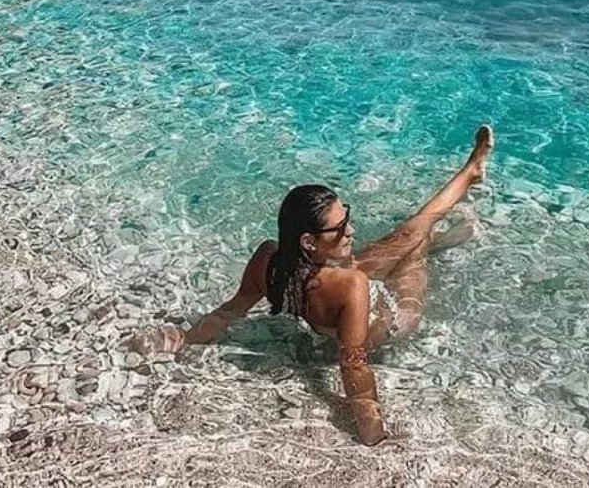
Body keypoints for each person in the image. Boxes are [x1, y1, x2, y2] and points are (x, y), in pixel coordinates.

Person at [132, 125, 494, 445]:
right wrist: (370, 428)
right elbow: (353, 363)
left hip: (326, 283)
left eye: (346, 217)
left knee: (407, 232)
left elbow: (231, 310)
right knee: (415, 247)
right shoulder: (352, 283)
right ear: (308, 241)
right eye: (340, 228)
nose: (350, 229)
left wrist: (184, 337)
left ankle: (470, 172)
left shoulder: (269, 260)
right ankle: (441, 237)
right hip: (394, 316)